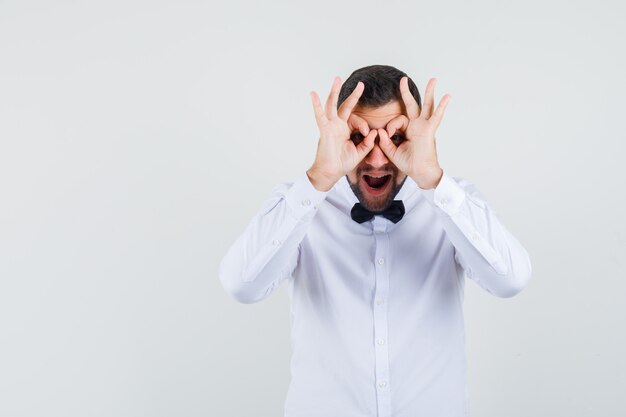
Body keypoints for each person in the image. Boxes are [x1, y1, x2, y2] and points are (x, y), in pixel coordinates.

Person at [219, 64, 532, 417]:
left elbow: (511, 280)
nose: (377, 157)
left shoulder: (454, 203)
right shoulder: (298, 205)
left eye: (395, 138)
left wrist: (432, 180)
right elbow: (241, 285)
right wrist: (319, 178)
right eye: (358, 138)